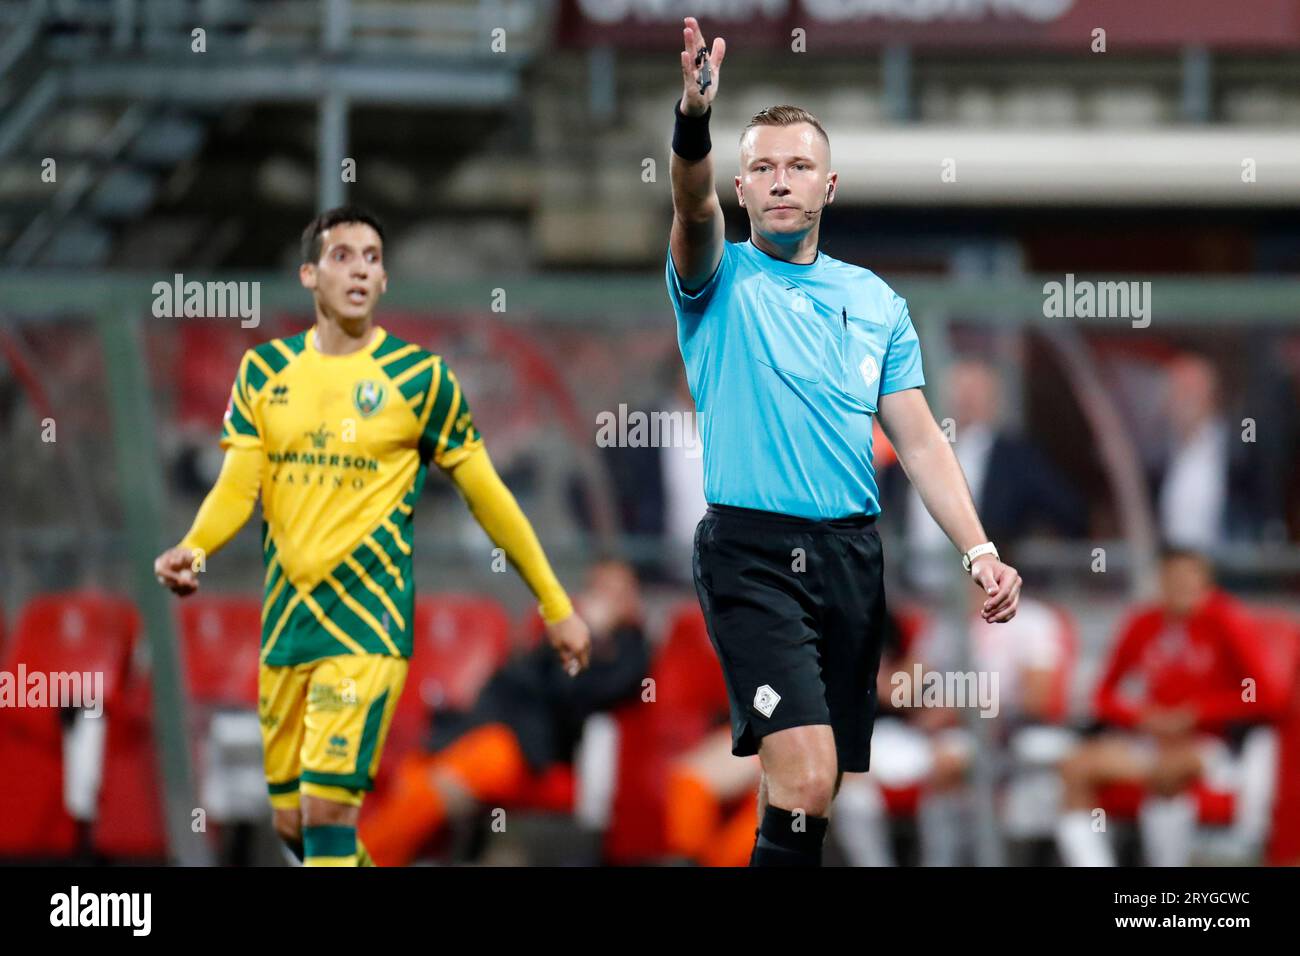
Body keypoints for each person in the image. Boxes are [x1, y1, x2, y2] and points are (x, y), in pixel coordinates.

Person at [665, 16, 1021, 867]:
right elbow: (687, 199)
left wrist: (980, 551)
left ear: (831, 185)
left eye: (798, 167)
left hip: (852, 559)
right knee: (809, 770)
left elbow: (924, 444)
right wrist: (693, 120)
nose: (780, 181)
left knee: (800, 793)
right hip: (752, 552)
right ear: (741, 189)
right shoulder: (717, 278)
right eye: (762, 168)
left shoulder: (876, 302)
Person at [153, 206, 590, 866]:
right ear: (309, 274)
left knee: (329, 807)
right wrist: (196, 547)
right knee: (296, 822)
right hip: (289, 628)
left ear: (384, 279)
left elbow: (488, 496)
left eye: (372, 258)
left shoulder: (421, 381)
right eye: (342, 256)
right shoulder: (264, 375)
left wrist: (555, 604)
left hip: (368, 628)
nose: (360, 268)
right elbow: (237, 488)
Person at [359, 558, 649, 866]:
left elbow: (570, 693)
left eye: (617, 593)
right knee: (416, 774)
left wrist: (588, 633)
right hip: (486, 726)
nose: (605, 601)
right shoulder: (556, 633)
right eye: (600, 590)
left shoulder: (630, 654)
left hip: (529, 750)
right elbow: (518, 677)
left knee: (440, 782)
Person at [1054, 548, 1280, 867]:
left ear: (1206, 585)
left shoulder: (1227, 622)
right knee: (1075, 768)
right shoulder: (1143, 624)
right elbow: (1103, 695)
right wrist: (1141, 717)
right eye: (1173, 581)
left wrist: (1196, 714)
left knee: (1169, 771)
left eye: (1190, 583)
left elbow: (1263, 695)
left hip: (1210, 743)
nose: (1181, 591)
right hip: (1150, 738)